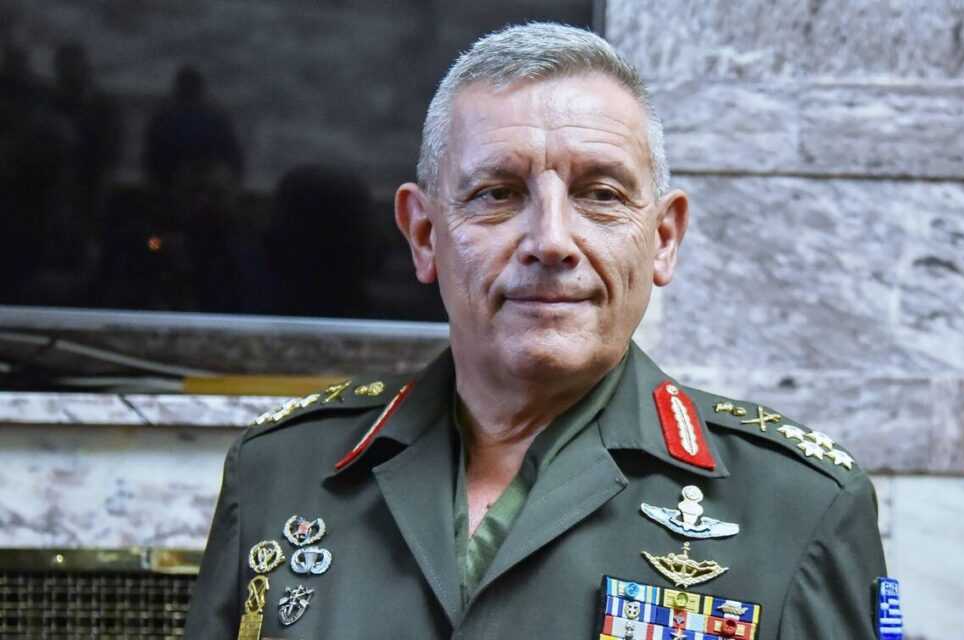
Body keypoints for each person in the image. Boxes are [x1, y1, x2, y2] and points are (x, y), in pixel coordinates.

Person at [185, 23, 889, 639]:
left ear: (664, 238)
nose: (551, 241)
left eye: (600, 195)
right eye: (497, 194)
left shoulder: (798, 508)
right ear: (424, 235)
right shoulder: (282, 474)